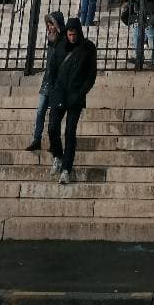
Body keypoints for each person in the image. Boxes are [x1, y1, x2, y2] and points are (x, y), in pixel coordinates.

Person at [48, 17, 97, 185]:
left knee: (70, 132)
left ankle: (67, 168)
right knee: (53, 127)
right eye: (69, 34)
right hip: (59, 93)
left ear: (79, 33)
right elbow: (52, 68)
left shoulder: (88, 48)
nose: (72, 38)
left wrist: (82, 91)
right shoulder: (60, 45)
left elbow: (91, 74)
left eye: (74, 34)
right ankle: (57, 156)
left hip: (75, 95)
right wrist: (53, 89)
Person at [27, 12, 66, 151]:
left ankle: (53, 142)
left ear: (57, 25)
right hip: (47, 81)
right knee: (40, 111)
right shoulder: (50, 39)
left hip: (58, 83)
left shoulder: (64, 41)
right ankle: (36, 139)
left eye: (52, 25)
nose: (50, 28)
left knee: (54, 116)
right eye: (48, 25)